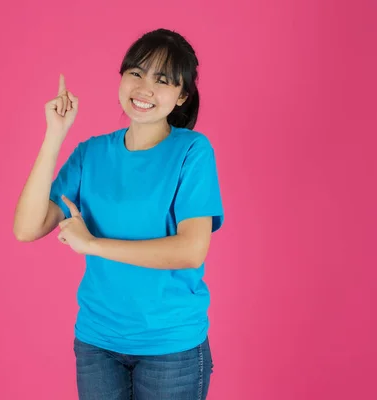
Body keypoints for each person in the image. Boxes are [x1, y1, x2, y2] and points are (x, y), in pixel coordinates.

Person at [13, 28, 224, 400]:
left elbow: (191, 250)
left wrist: (93, 245)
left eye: (162, 80)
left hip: (170, 345)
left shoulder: (193, 151)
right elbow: (27, 228)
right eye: (136, 73)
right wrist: (54, 135)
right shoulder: (91, 153)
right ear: (122, 77)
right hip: (98, 342)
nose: (144, 89)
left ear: (181, 96)